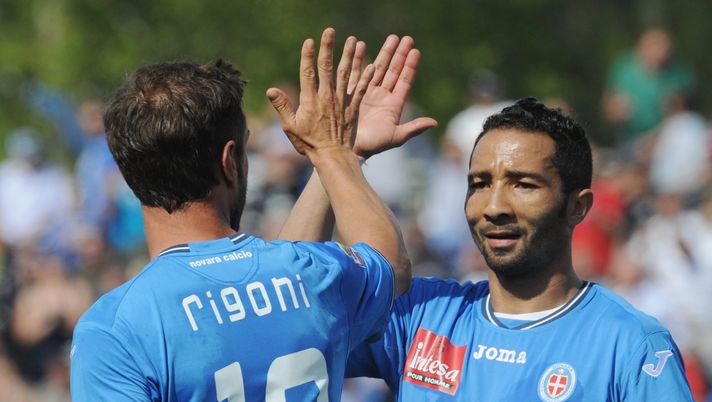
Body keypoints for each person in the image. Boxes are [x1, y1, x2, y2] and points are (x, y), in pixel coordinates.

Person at [69, 28, 433, 401]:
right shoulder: (315, 273)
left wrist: (334, 153)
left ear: (130, 172)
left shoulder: (115, 328)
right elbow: (388, 263)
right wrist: (337, 153)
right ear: (230, 162)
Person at [338, 98, 692, 400]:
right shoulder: (422, 315)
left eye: (523, 184)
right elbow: (286, 311)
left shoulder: (631, 345)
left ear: (578, 206)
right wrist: (338, 155)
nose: (494, 207)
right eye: (479, 183)